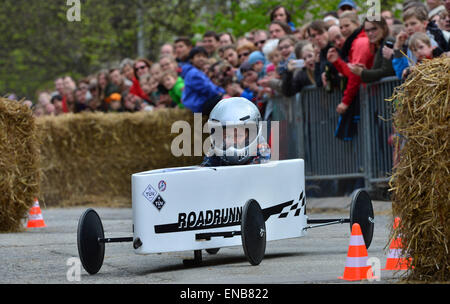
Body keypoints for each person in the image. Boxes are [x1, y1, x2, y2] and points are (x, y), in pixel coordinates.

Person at [201, 97, 271, 167]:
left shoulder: (261, 149)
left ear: (251, 134)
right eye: (227, 136)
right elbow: (205, 171)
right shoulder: (216, 150)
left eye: (238, 136)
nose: (233, 141)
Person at [348, 17, 396, 83]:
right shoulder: (377, 45)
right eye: (367, 30)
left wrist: (362, 72)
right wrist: (364, 70)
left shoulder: (388, 42)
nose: (370, 33)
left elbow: (387, 71)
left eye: (374, 29)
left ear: (384, 28)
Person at [179, 48, 225, 114]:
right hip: (196, 106)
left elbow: (210, 86)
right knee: (224, 99)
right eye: (198, 56)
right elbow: (207, 89)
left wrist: (220, 91)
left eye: (204, 56)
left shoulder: (198, 72)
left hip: (199, 103)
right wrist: (221, 93)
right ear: (192, 59)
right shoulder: (193, 73)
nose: (201, 58)